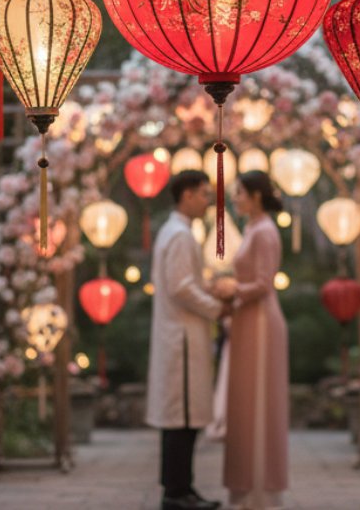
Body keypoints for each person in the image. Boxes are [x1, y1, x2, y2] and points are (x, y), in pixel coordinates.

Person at [146, 170, 230, 510]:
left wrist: (206, 290)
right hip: (180, 336)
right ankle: (177, 492)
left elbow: (182, 282)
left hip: (181, 333)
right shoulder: (180, 235)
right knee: (181, 418)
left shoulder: (176, 231)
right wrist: (216, 308)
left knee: (185, 418)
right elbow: (181, 288)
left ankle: (182, 488)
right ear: (186, 195)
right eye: (202, 193)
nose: (207, 200)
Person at [216, 171, 289, 509]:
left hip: (260, 320)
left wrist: (233, 289)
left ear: (257, 196)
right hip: (247, 318)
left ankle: (260, 487)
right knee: (245, 400)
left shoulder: (265, 231)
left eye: (240, 193)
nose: (235, 198)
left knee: (258, 400)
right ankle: (246, 484)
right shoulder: (252, 229)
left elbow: (263, 283)